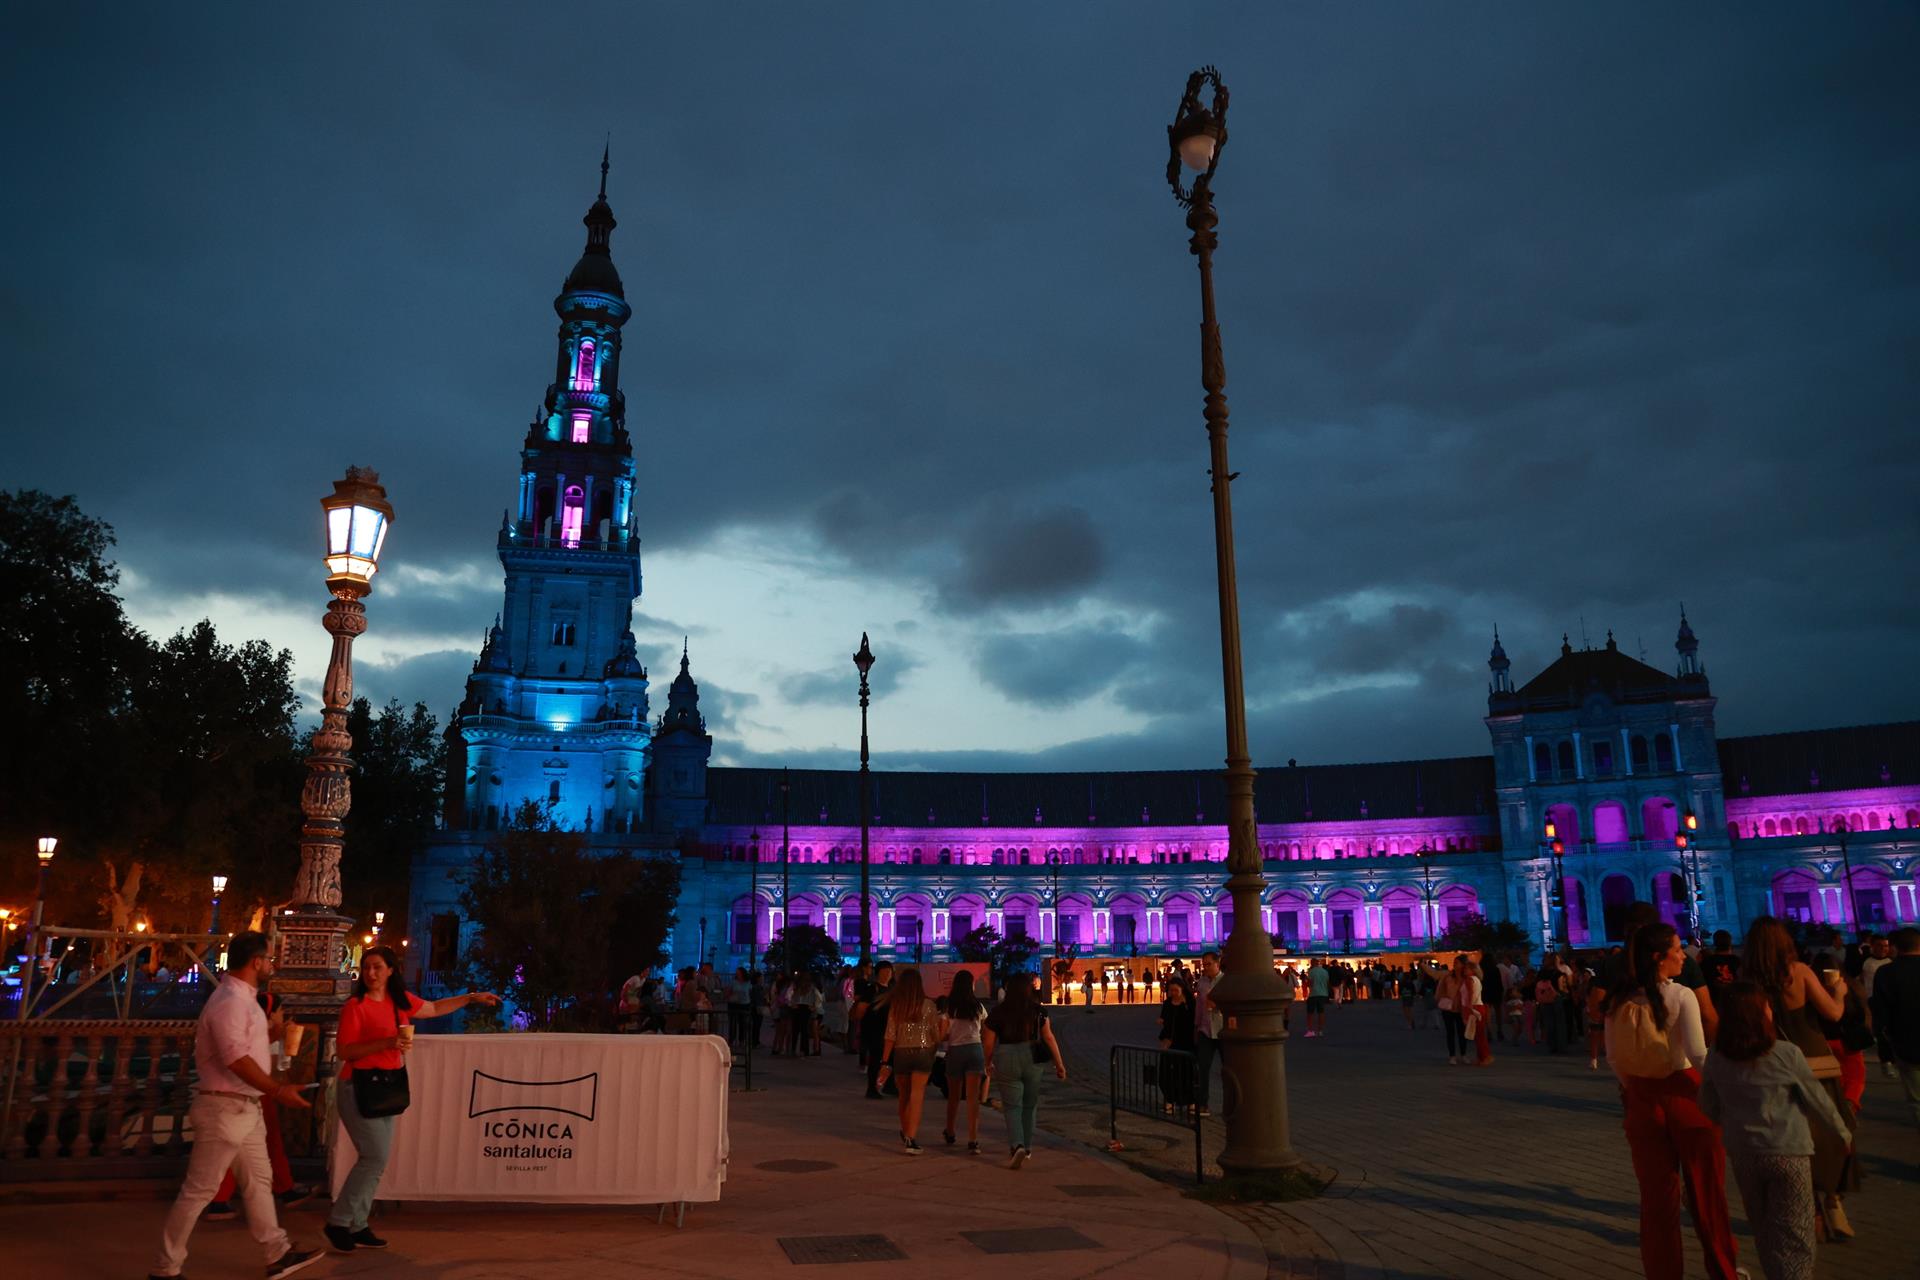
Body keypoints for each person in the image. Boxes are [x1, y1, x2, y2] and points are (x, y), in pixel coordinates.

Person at [149, 931, 322, 1280]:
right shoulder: (230, 1001)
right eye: (269, 958)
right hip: (224, 1108)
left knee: (259, 1181)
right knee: (199, 1190)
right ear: (256, 961)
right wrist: (277, 1090)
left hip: (244, 1108)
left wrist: (271, 1035)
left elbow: (243, 1048)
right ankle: (167, 1267)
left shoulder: (242, 999)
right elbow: (235, 1059)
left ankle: (277, 1252)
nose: (271, 964)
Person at [327, 945, 500, 1254]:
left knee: (376, 1160)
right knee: (374, 1157)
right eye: (367, 967)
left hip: (387, 1086)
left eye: (377, 967)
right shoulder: (356, 1005)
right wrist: (387, 1042)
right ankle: (339, 1221)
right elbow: (345, 1051)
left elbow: (433, 1009)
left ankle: (357, 1223)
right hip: (358, 1086)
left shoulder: (398, 1002)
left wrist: (471, 998)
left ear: (391, 970)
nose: (370, 973)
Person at [1603, 923, 1741, 1280]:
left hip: (1643, 1101)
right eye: (1678, 949)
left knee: (1657, 1203)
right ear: (1658, 958)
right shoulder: (1680, 995)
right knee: (1707, 1196)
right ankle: (1723, 1271)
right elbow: (1698, 1053)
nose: (1684, 955)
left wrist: (1635, 1088)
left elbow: (1614, 1059)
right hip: (1685, 1095)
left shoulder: (1618, 1001)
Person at [1701, 980, 1852, 1280]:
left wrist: (1731, 1119)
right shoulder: (1785, 1053)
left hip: (1744, 1153)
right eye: (1767, 1006)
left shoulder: (1717, 1055)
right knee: (1795, 1232)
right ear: (1760, 1014)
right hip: (1788, 1150)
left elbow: (1707, 1105)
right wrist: (1841, 1133)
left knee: (1764, 1228)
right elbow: (1816, 1099)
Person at [1743, 916, 1857, 1239]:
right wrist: (1839, 991)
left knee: (1795, 1137)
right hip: (1813, 1058)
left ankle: (1814, 1212)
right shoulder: (1801, 973)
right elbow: (1833, 1014)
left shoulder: (1748, 982)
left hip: (1775, 1064)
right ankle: (1834, 1201)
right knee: (1831, 1129)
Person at [204, 987, 311, 1220]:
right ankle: (222, 1199)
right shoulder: (262, 1032)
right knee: (251, 1144)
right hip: (255, 1093)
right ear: (271, 1013)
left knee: (243, 1147)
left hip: (251, 1092)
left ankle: (227, 1199)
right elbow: (261, 1066)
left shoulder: (254, 1029)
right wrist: (278, 1088)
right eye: (281, 1010)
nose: (284, 1015)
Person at [982, 973, 1065, 1168]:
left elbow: (988, 1042)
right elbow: (1049, 1038)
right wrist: (1059, 1064)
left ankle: (1016, 1145)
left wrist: (988, 1061)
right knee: (1030, 1105)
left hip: (1007, 1056)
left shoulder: (998, 1012)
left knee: (1012, 1106)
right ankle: (1027, 1147)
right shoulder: (1039, 1011)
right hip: (1033, 1058)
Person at [880, 967, 944, 1154]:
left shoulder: (897, 1006)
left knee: (904, 1096)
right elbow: (935, 1034)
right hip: (923, 1052)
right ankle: (911, 1137)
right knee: (917, 1094)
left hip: (901, 1053)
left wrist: (885, 1062)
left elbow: (890, 1035)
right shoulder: (929, 1005)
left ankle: (905, 1128)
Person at [1869, 926, 1920, 1129]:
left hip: (1907, 1044)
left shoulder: (1887, 973)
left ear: (1896, 948)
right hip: (1905, 1042)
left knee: (1917, 1100)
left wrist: (1885, 1045)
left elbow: (1881, 1014)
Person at [940, 969, 988, 1154]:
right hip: (975, 1050)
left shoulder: (949, 1007)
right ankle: (973, 1139)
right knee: (972, 1098)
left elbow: (944, 1033)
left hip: (956, 1050)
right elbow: (985, 1030)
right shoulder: (978, 1006)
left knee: (954, 1096)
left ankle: (950, 1131)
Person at [1157, 977, 1196, 1114]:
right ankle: (1169, 1100)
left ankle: (1190, 1101)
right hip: (1169, 1042)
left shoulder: (1190, 1003)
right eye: (1171, 990)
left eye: (1176, 990)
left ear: (1182, 989)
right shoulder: (1168, 1003)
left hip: (1187, 1042)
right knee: (1166, 1072)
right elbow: (1164, 1019)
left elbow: (1194, 1022)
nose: (1173, 993)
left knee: (1187, 1072)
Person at [1191, 952, 1222, 1114]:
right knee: (1202, 1067)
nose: (1206, 967)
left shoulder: (1225, 981)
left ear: (1218, 964)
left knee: (1228, 1069)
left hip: (1222, 1030)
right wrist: (1196, 1027)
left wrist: (1217, 1006)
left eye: (1209, 964)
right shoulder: (1202, 982)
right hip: (1205, 1029)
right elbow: (1198, 1006)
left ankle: (1231, 1104)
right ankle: (1202, 1103)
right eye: (1204, 964)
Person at [861, 961, 895, 1097]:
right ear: (877, 974)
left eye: (889, 972)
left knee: (891, 1058)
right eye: (883, 972)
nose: (887, 974)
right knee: (876, 1059)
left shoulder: (892, 989)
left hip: (889, 1030)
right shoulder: (872, 989)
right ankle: (872, 1088)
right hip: (875, 1030)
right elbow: (862, 1008)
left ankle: (888, 1085)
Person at [1437, 961, 1465, 1064]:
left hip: (1461, 1008)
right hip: (1448, 1007)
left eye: (1458, 963)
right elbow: (1441, 989)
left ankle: (1463, 1054)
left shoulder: (1466, 978)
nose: (1456, 965)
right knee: (1450, 1032)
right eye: (1455, 963)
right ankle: (1452, 1055)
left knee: (1462, 1032)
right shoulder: (1448, 977)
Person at [1304, 956, 1330, 1038]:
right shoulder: (1325, 972)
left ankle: (1310, 1030)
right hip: (1323, 994)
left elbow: (1310, 983)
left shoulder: (1311, 972)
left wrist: (1307, 983)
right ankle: (1320, 1030)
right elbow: (1327, 982)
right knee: (1321, 1012)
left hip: (1314, 994)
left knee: (1310, 1013)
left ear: (1312, 963)